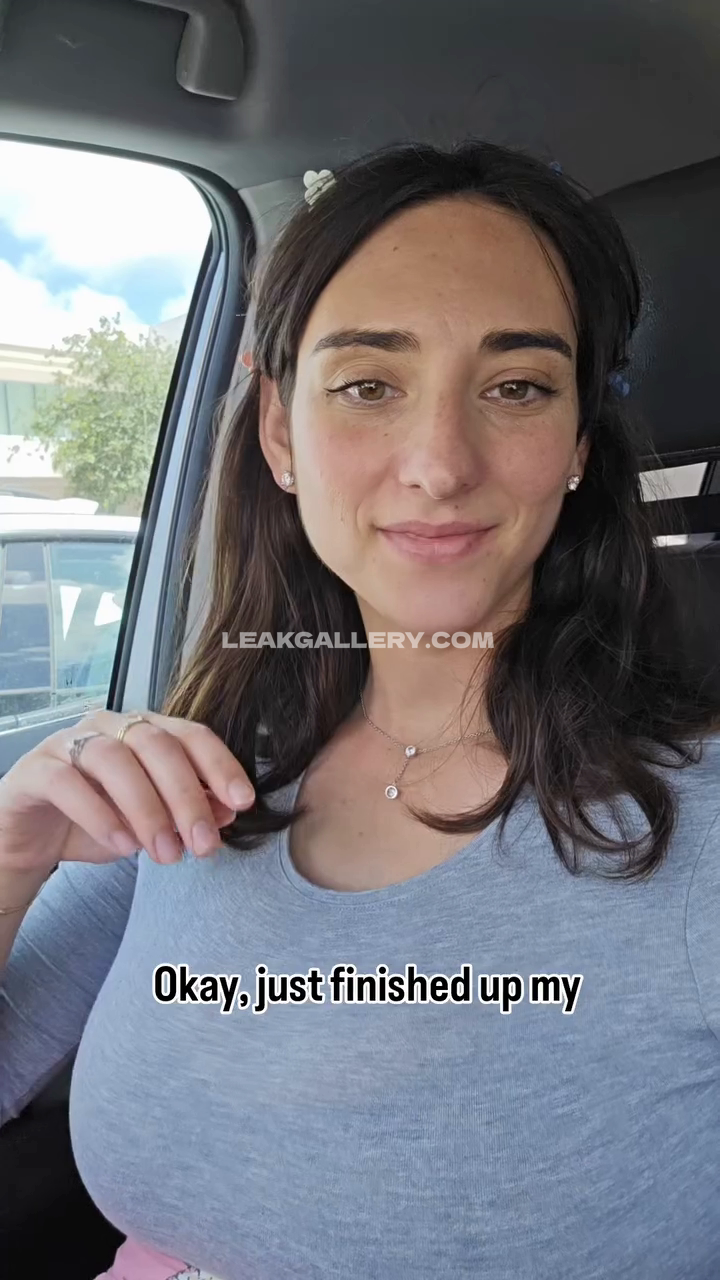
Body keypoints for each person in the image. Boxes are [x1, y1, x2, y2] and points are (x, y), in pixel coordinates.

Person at [2, 139, 720, 1280]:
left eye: (518, 387)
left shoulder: (699, 834)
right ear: (280, 434)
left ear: (578, 444)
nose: (439, 463)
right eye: (369, 385)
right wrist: (13, 852)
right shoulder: (202, 776)